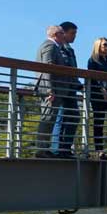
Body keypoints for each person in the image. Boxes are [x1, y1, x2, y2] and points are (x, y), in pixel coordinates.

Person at [35, 24, 81, 158]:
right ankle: (42, 150)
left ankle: (45, 149)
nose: (64, 36)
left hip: (56, 88)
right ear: (56, 34)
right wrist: (50, 90)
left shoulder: (55, 46)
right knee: (48, 118)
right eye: (62, 33)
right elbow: (47, 67)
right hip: (51, 88)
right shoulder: (49, 45)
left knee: (51, 118)